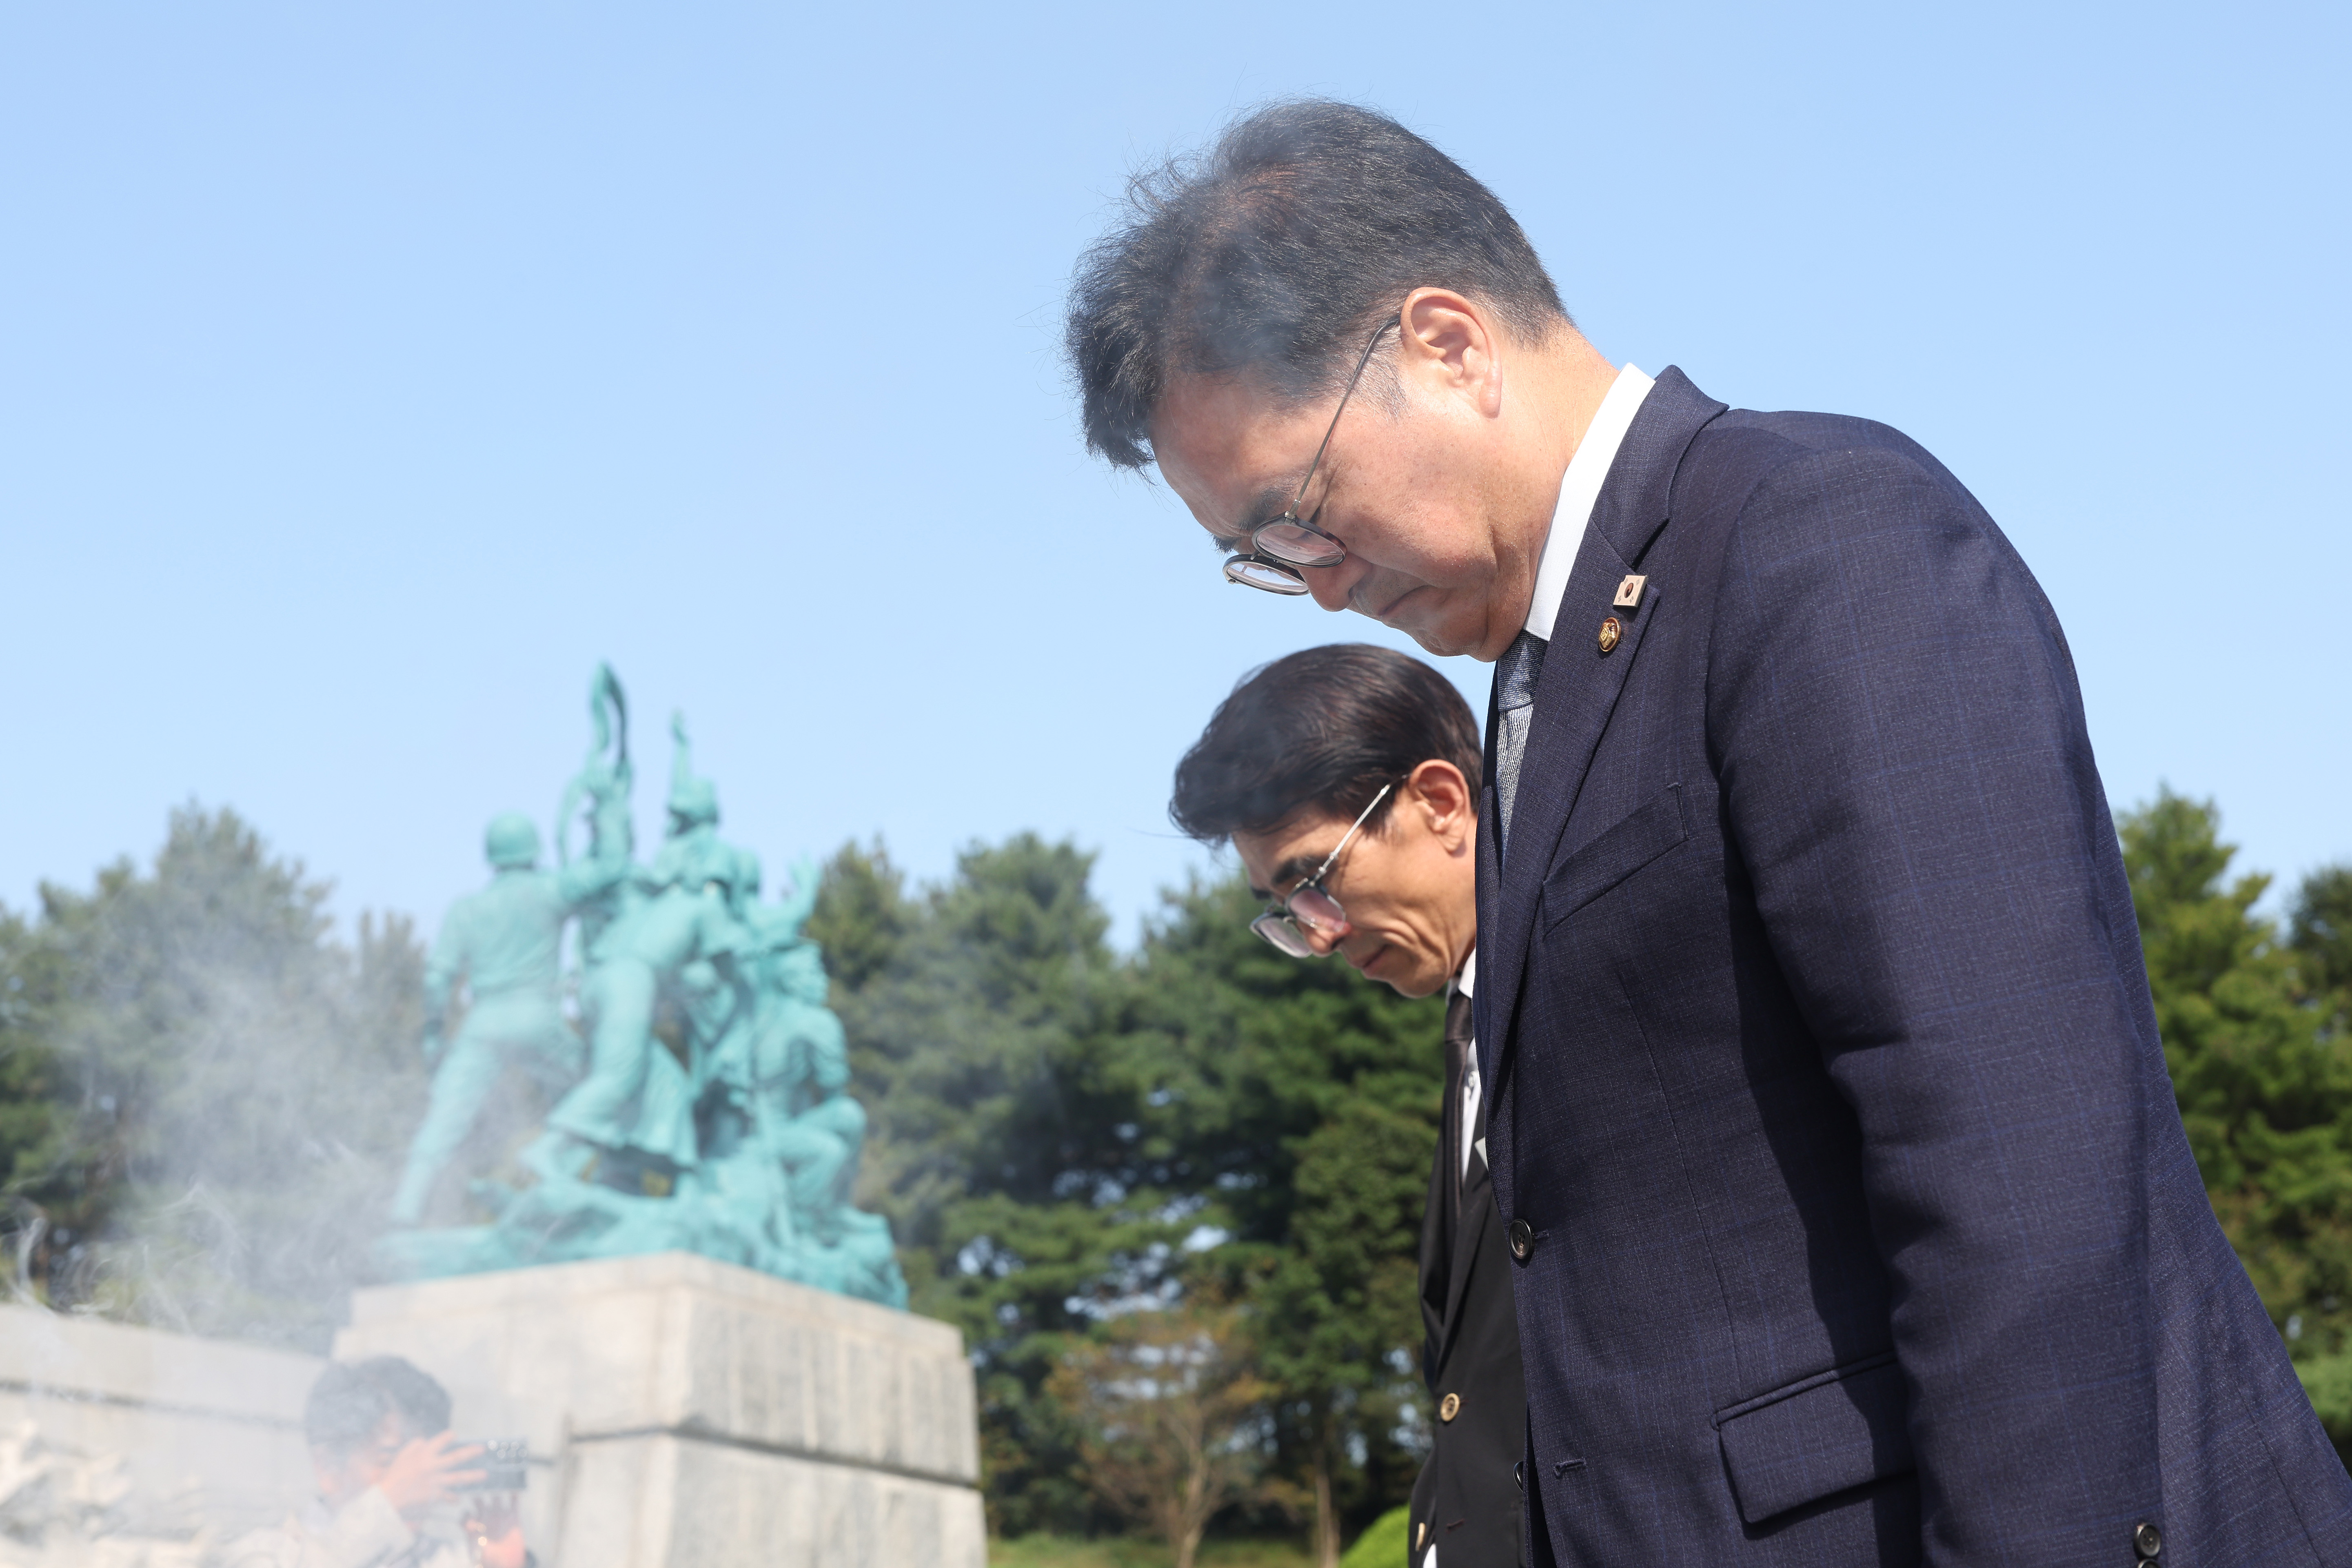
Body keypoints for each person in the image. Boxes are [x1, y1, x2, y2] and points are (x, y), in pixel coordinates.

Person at [1065, 100, 2352, 1564]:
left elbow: (2019, 1178)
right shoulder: (1541, 694)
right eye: (1259, 561)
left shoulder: (1817, 539)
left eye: (1302, 512)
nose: (1318, 585)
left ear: (1446, 344)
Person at [1171, 644, 1522, 1568]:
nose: (1317, 936)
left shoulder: (1608, 995)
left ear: (1440, 803)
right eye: (1285, 907)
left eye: (1315, 878)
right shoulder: (1469, 1034)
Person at [391, 814, 619, 1225]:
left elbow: (437, 977)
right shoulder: (550, 890)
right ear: (533, 851)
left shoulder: (467, 909)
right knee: (590, 1097)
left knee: (444, 1119)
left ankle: (406, 1205)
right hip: (538, 1018)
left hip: (483, 1024)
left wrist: (433, 1032)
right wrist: (608, 818)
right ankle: (568, 1174)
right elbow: (609, 871)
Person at [229, 1356, 524, 1568]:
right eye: (393, 1458)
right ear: (327, 1466)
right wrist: (384, 1511)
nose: (419, 1477)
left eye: (426, 1458)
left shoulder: (449, 1559)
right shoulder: (263, 1554)